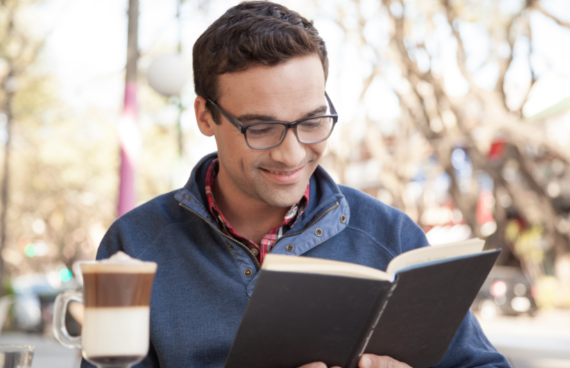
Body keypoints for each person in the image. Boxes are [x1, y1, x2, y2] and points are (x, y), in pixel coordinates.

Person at [82, 2, 511, 368]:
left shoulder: (391, 236)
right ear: (205, 116)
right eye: (262, 128)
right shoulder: (134, 244)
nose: (291, 154)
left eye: (311, 121)